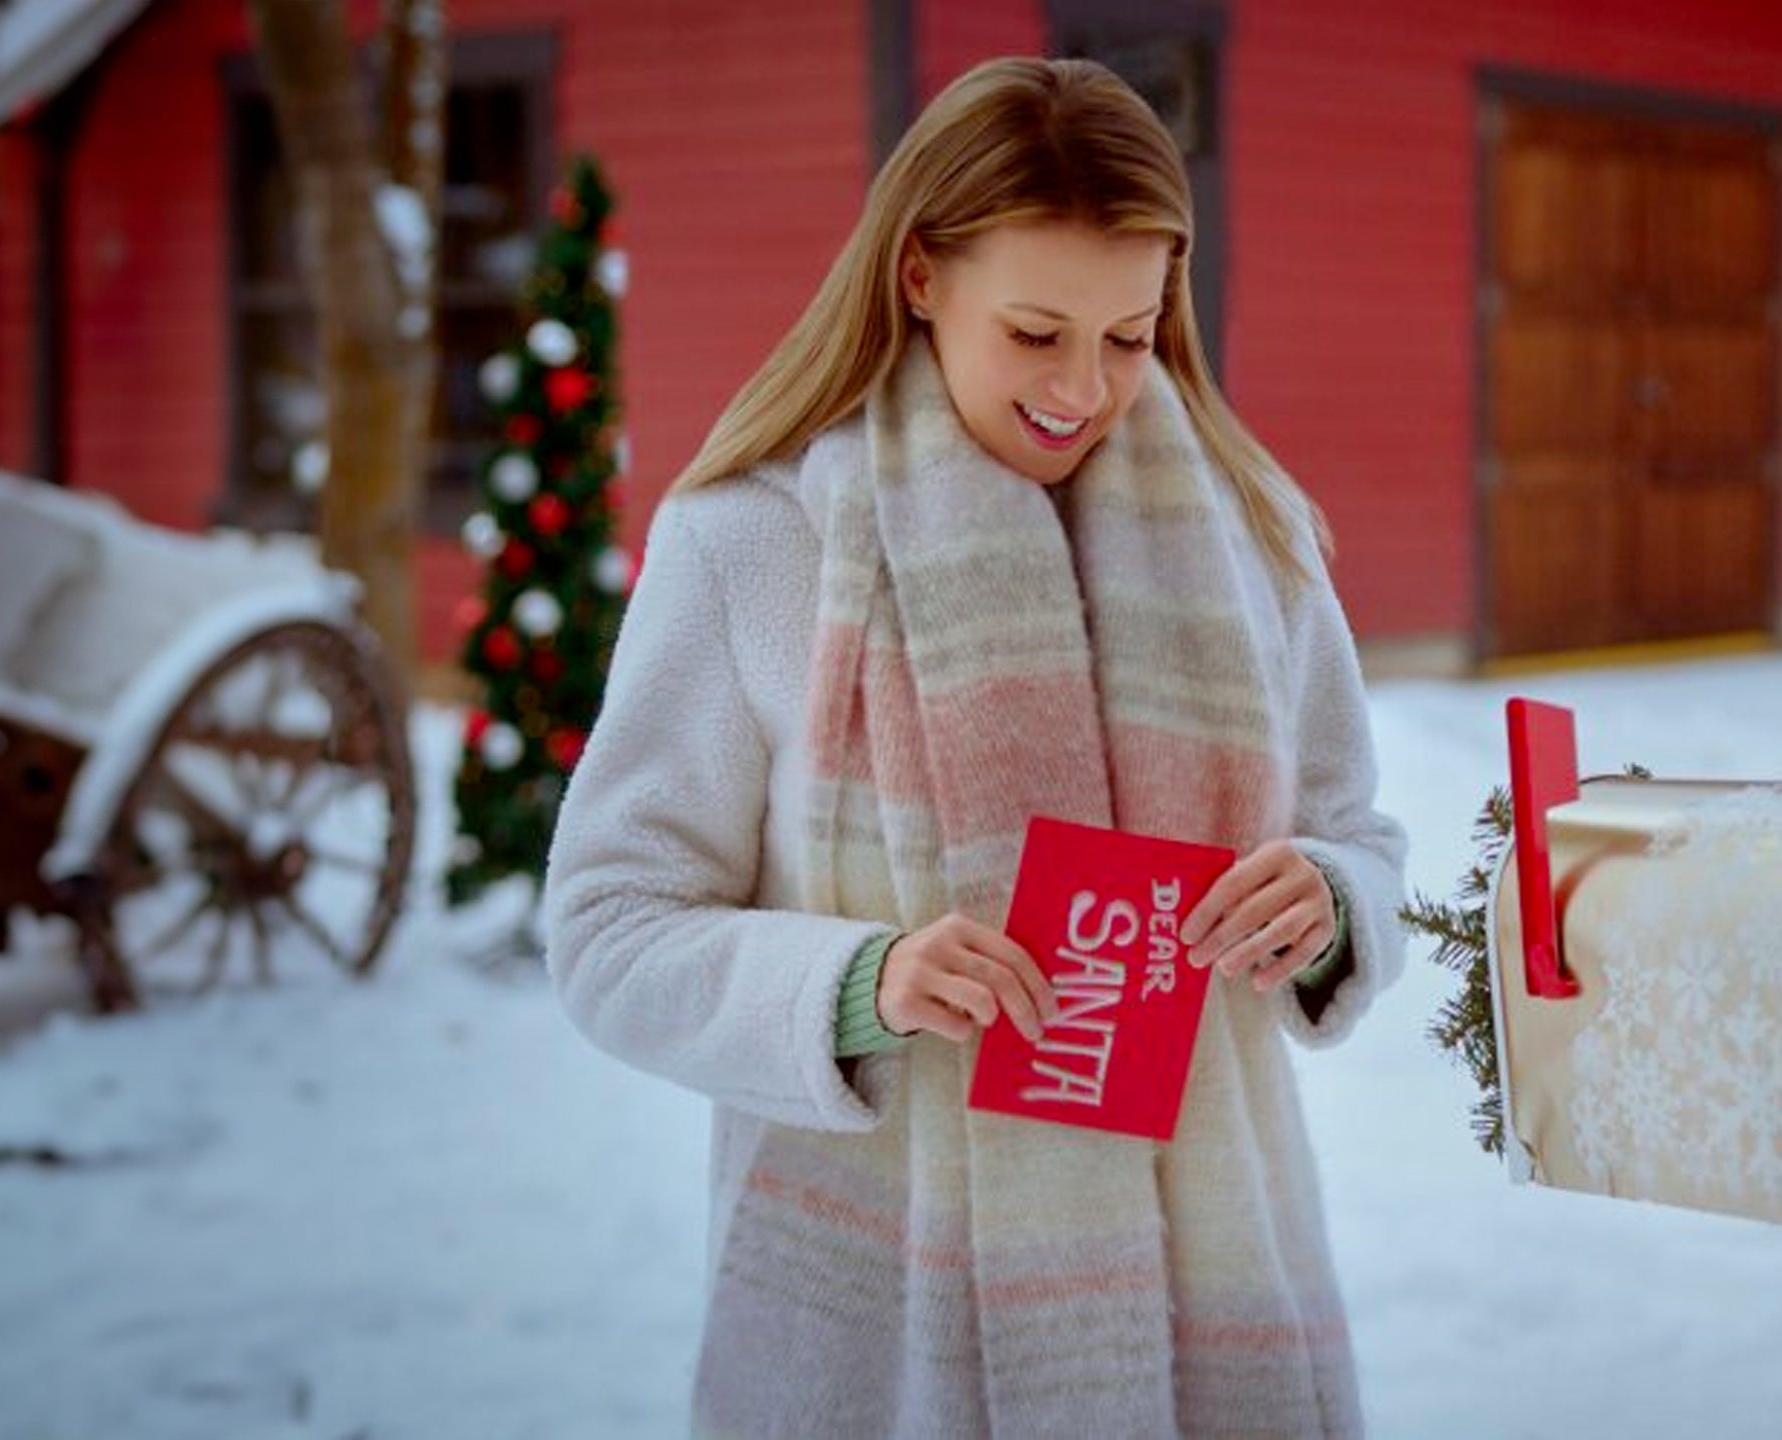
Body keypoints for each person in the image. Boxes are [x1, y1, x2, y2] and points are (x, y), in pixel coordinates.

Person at [541, 55, 1407, 1438]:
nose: (1085, 388)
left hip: (1216, 1323)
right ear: (921, 275)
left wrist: (1330, 901)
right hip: (888, 1338)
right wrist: (857, 985)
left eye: (1130, 336)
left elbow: (1358, 834)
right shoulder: (752, 544)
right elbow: (607, 927)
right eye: (1037, 332)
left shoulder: (1255, 539)